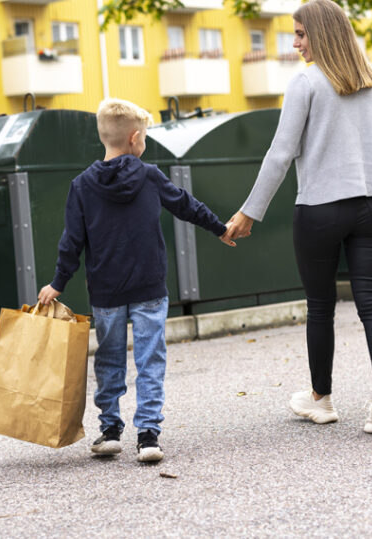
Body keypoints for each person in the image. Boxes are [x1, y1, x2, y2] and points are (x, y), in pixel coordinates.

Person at [224, 0, 372, 434]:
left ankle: (321, 400)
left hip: (322, 208)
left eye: (301, 34)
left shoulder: (306, 83)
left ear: (322, 34)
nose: (295, 44)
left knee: (320, 307)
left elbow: (281, 154)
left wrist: (249, 212)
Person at [37, 98, 234, 463]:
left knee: (110, 359)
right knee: (150, 360)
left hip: (106, 292)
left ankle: (110, 430)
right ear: (135, 138)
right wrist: (219, 228)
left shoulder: (81, 185)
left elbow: (72, 241)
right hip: (148, 288)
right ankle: (148, 436)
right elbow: (185, 204)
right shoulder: (149, 175)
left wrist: (57, 283)